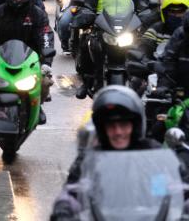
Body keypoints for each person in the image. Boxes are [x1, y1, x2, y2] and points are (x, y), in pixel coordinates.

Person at [51, 86, 160, 220]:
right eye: (111, 126)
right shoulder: (90, 160)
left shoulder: (152, 156)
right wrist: (63, 212)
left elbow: (174, 190)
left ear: (135, 125)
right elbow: (73, 192)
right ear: (102, 129)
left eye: (124, 124)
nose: (118, 131)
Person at [73, 0, 148, 99]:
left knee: (143, 45)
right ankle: (87, 80)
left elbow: (142, 6)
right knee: (85, 42)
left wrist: (146, 16)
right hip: (102, 25)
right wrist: (87, 14)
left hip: (126, 27)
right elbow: (89, 5)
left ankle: (140, 81)